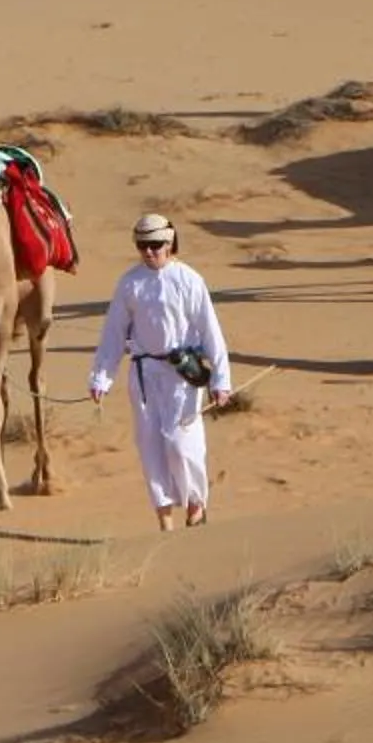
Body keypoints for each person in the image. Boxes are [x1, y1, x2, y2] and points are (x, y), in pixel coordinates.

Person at [87, 213, 233, 529]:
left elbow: (211, 332)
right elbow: (113, 333)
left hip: (182, 374)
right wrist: (101, 377)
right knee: (151, 446)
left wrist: (221, 380)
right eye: (142, 246)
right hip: (144, 375)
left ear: (169, 243)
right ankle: (165, 521)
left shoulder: (190, 280)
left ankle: (196, 505)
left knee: (182, 443)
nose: (149, 252)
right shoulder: (129, 283)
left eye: (155, 245)